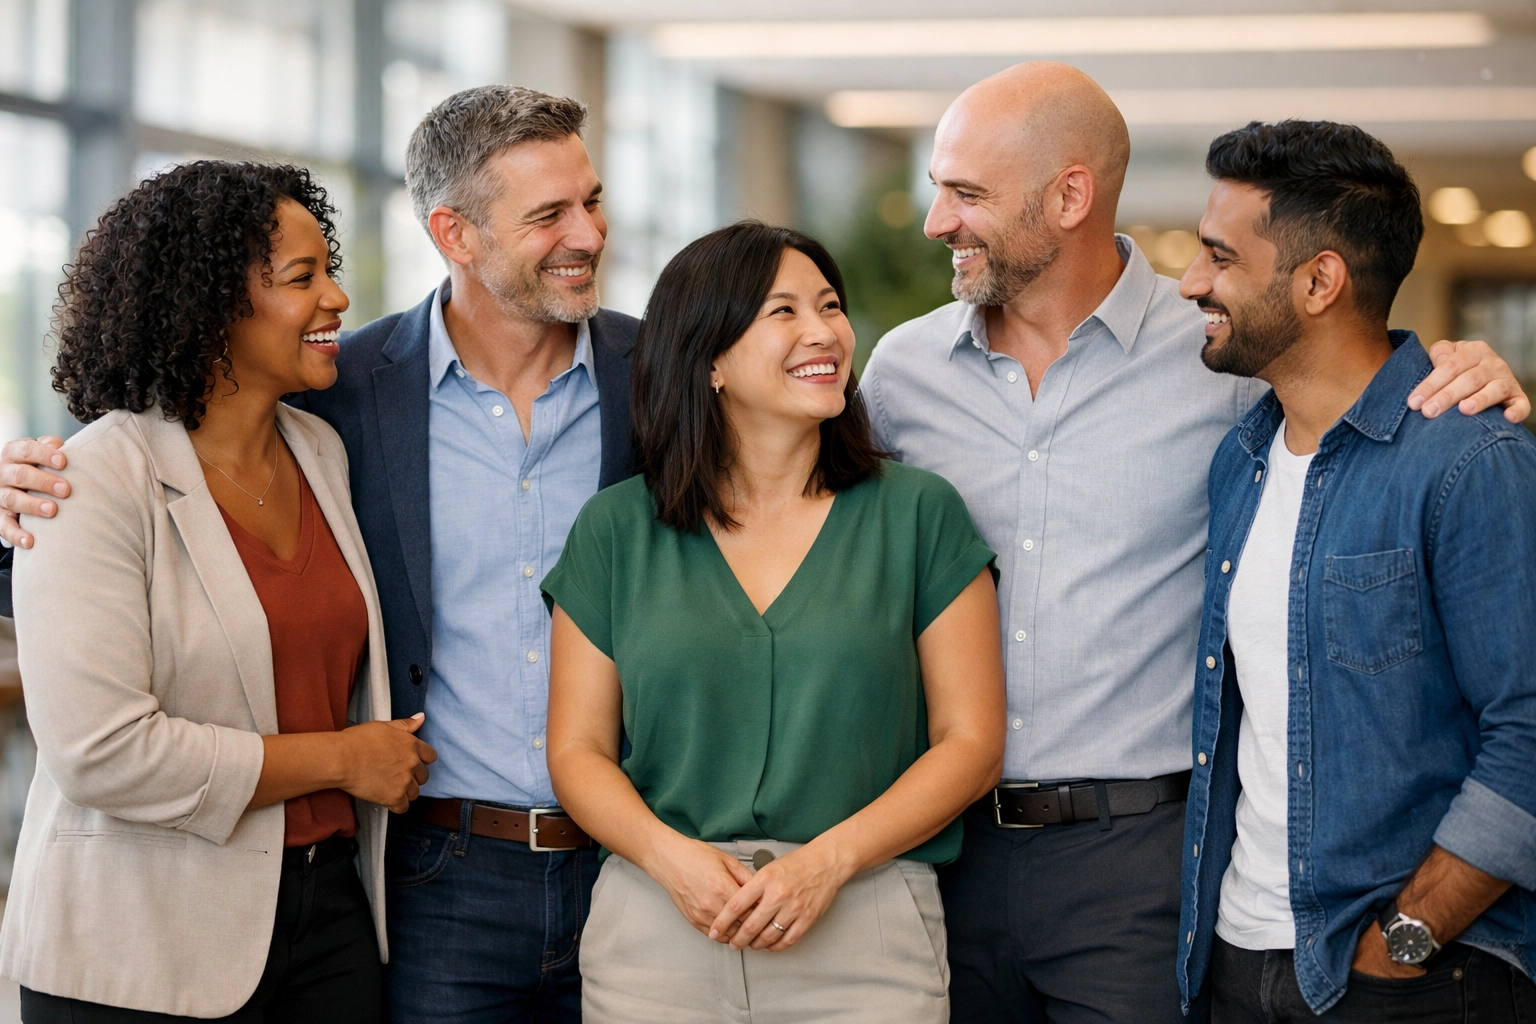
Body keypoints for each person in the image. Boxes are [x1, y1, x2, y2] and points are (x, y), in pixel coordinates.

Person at [857, 62, 1531, 1023]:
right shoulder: (902, 373)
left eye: (965, 193)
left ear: (1070, 195)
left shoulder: (1221, 362)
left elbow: (1352, 377)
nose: (935, 222)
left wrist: (1466, 376)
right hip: (945, 847)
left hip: (1142, 864)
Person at [0, 86, 635, 1023]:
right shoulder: (349, 400)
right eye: (548, 213)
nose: (588, 231)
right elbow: (91, 654)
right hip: (415, 879)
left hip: (593, 872)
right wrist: (13, 500)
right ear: (455, 233)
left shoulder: (652, 379)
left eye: (591, 201)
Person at [0, 161, 435, 1022]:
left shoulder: (322, 453)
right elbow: (103, 752)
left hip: (329, 922)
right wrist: (347, 758)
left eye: (330, 269)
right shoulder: (88, 480)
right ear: (209, 307)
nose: (339, 299)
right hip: (140, 940)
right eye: (303, 278)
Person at [541, 222, 1006, 1024]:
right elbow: (577, 751)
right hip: (660, 932)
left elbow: (970, 743)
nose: (824, 331)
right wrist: (669, 859)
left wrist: (830, 863)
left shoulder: (919, 514)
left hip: (866, 935)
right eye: (782, 312)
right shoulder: (616, 530)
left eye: (829, 305)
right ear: (709, 357)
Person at [1176, 120, 1536, 1023]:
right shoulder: (1241, 459)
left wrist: (1407, 941)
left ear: (1320, 280)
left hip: (1409, 979)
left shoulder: (1469, 461)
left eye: (1218, 256)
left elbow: (1529, 732)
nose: (1190, 282)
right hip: (1236, 960)